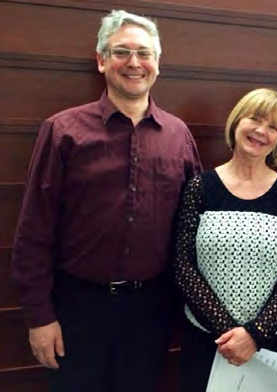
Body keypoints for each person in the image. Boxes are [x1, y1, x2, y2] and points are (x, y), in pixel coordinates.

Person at [11, 9, 202, 392]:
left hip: (151, 311)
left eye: (144, 53)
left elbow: (194, 227)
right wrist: (39, 316)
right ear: (101, 61)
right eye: (121, 52)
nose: (134, 63)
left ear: (158, 64)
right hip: (76, 310)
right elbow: (34, 229)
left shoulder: (178, 136)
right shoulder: (63, 131)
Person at [172, 87, 277, 392]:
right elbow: (183, 265)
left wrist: (254, 334)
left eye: (273, 126)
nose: (261, 131)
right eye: (255, 119)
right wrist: (230, 333)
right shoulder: (200, 188)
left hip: (273, 343)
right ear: (237, 122)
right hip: (207, 341)